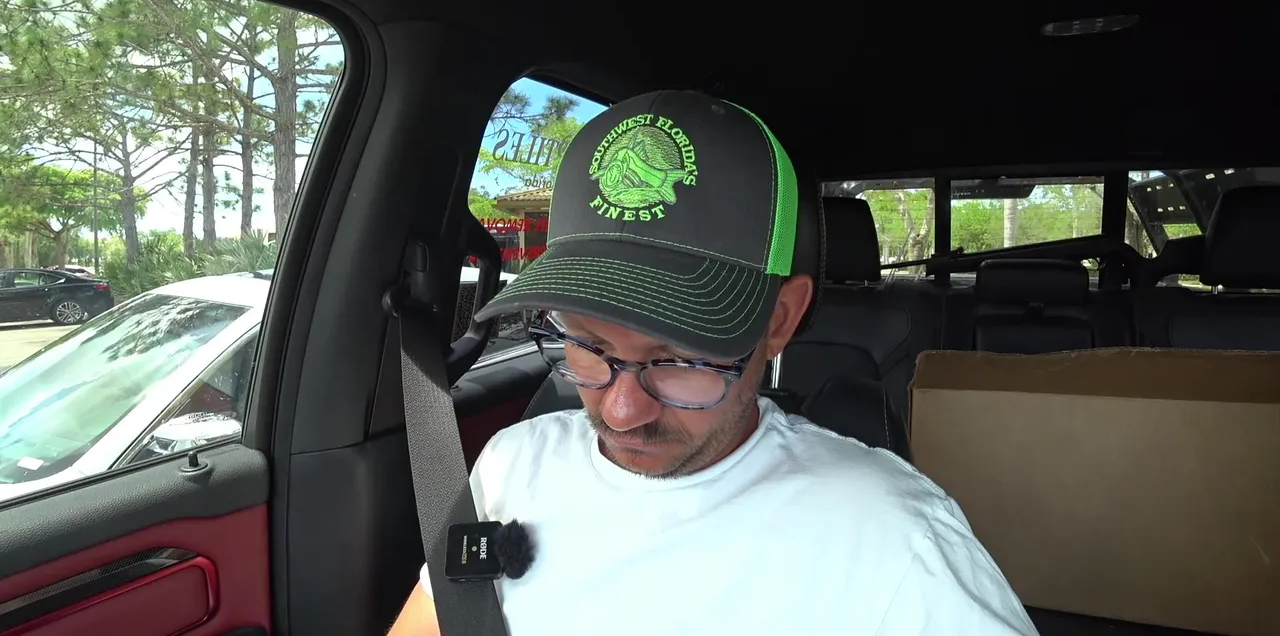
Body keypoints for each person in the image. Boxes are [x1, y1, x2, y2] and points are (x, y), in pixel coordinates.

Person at [389, 91, 1038, 635]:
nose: (621, 411)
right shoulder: (511, 464)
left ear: (779, 321)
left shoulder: (895, 543)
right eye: (588, 344)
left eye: (676, 359)